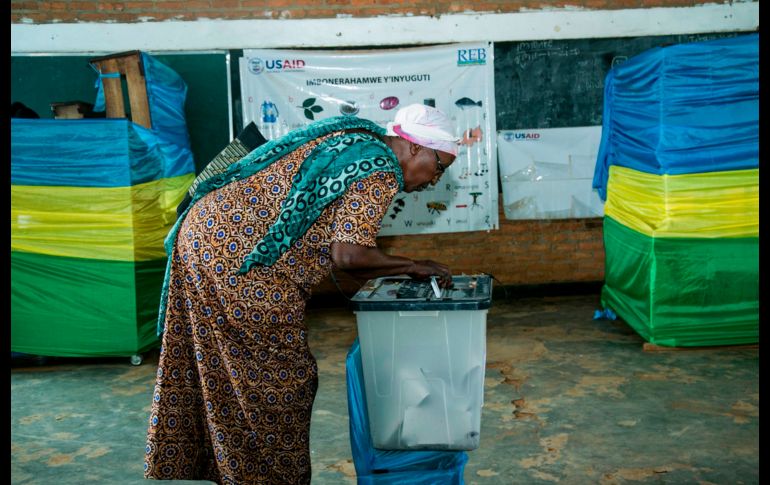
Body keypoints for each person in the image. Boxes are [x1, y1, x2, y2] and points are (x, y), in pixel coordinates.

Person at [144, 103, 460, 484]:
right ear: (413, 147)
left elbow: (334, 242)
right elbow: (347, 255)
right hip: (238, 260)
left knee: (231, 371)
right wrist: (412, 265)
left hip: (208, 239)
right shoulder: (380, 169)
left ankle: (240, 474)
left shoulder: (358, 143)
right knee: (281, 380)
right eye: (439, 166)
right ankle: (268, 478)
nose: (435, 180)